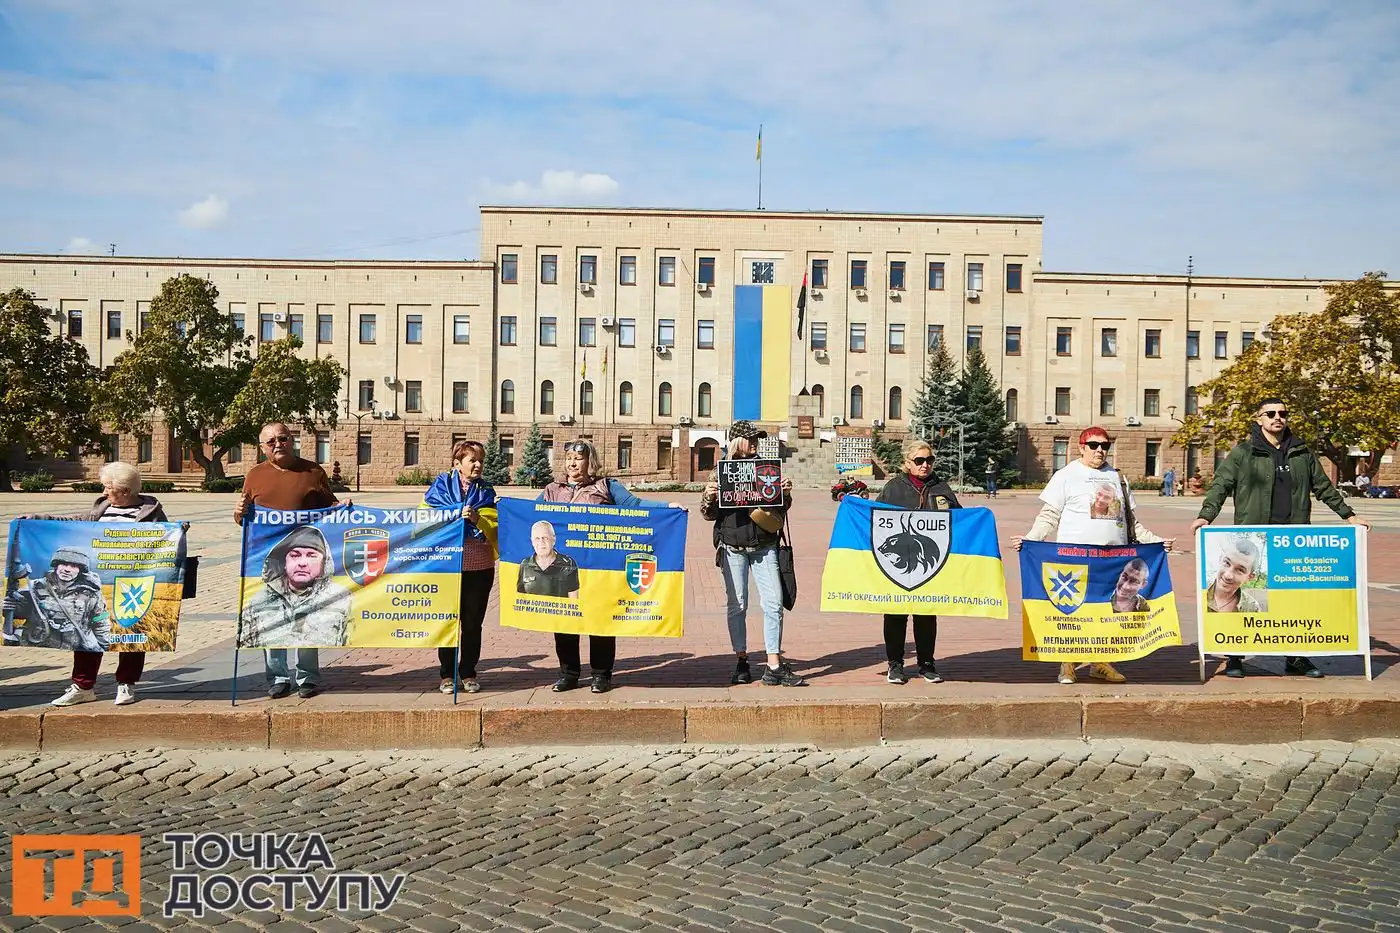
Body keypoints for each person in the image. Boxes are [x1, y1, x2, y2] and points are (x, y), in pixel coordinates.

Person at [1191, 397, 1368, 678]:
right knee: (1244, 600)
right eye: (1270, 413)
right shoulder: (1243, 453)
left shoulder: (1302, 452)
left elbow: (1323, 487)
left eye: (1282, 413)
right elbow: (1221, 485)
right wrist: (1206, 515)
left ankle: (1296, 658)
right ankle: (1236, 657)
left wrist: (1349, 516)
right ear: (1258, 418)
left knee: (1294, 600)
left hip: (1293, 537)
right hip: (1256, 534)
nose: (1277, 417)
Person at [1012, 426, 1174, 685]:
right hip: (1074, 558)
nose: (1100, 450)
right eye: (1094, 445)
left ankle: (1101, 663)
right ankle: (1067, 664)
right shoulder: (1066, 475)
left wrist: (1156, 542)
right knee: (1074, 614)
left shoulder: (1118, 478)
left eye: (1105, 445)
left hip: (1113, 560)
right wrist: (1031, 539)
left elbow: (1131, 522)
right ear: (1081, 447)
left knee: (1106, 614)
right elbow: (1049, 516)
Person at [8, 462, 168, 706]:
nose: (104, 492)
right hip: (96, 585)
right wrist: (37, 519)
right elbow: (71, 521)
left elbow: (167, 541)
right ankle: (83, 686)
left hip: (133, 584)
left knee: (132, 632)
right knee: (84, 631)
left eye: (108, 487)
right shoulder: (101, 508)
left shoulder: (151, 512)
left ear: (125, 491)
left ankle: (126, 683)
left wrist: (180, 533)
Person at [539, 440, 678, 694]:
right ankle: (568, 673)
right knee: (563, 621)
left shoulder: (605, 486)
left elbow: (634, 506)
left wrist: (667, 507)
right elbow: (530, 514)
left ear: (590, 461)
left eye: (578, 459)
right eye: (569, 458)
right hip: (564, 570)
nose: (572, 463)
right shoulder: (552, 490)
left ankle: (601, 674)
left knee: (600, 619)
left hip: (599, 568)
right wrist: (504, 507)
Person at [235, 422, 338, 699]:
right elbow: (245, 519)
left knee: (306, 616)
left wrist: (343, 508)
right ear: (262, 447)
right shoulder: (255, 475)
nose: (277, 444)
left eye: (282, 438)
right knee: (272, 619)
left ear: (292, 440)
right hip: (268, 561)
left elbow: (331, 509)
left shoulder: (313, 471)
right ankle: (278, 677)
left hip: (304, 559)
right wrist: (239, 512)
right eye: (270, 442)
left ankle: (308, 677)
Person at [701, 421, 804, 687]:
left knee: (773, 604)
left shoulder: (766, 469)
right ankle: (742, 661)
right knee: (738, 605)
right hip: (732, 546)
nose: (755, 442)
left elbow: (781, 507)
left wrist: (785, 493)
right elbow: (707, 514)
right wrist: (710, 497)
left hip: (764, 544)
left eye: (756, 438)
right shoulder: (720, 471)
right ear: (736, 442)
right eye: (750, 439)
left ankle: (773, 665)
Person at [877, 439, 960, 684]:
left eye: (929, 460)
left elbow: (958, 519)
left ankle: (927, 664)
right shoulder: (894, 488)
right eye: (919, 461)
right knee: (895, 614)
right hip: (898, 567)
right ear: (907, 463)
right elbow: (875, 520)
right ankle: (895, 664)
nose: (925, 465)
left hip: (928, 565)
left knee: (926, 614)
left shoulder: (941, 488)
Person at [423, 439, 498, 694]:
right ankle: (446, 674)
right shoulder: (439, 488)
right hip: (447, 566)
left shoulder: (487, 491)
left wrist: (478, 519)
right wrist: (451, 515)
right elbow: (422, 521)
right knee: (448, 621)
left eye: (480, 461)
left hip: (479, 566)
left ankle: (468, 672)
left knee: (473, 622)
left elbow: (496, 527)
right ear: (457, 464)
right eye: (472, 460)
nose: (478, 465)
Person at [239, 525, 353, 648]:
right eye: (295, 555)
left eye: (311, 556)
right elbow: (246, 644)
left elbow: (354, 641)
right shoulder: (259, 601)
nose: (302, 563)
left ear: (324, 563)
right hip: (273, 667)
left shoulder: (341, 599)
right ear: (284, 563)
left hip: (323, 664)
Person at [1204, 536, 1266, 616]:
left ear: (1249, 577)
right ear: (1220, 559)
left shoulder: (1251, 607)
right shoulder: (1200, 592)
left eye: (1240, 570)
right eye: (1226, 563)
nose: (1228, 575)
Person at [517, 521, 580, 597]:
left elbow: (574, 602)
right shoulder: (525, 564)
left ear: (553, 540)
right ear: (532, 541)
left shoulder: (568, 564)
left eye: (545, 538)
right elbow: (520, 599)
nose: (541, 542)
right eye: (537, 538)